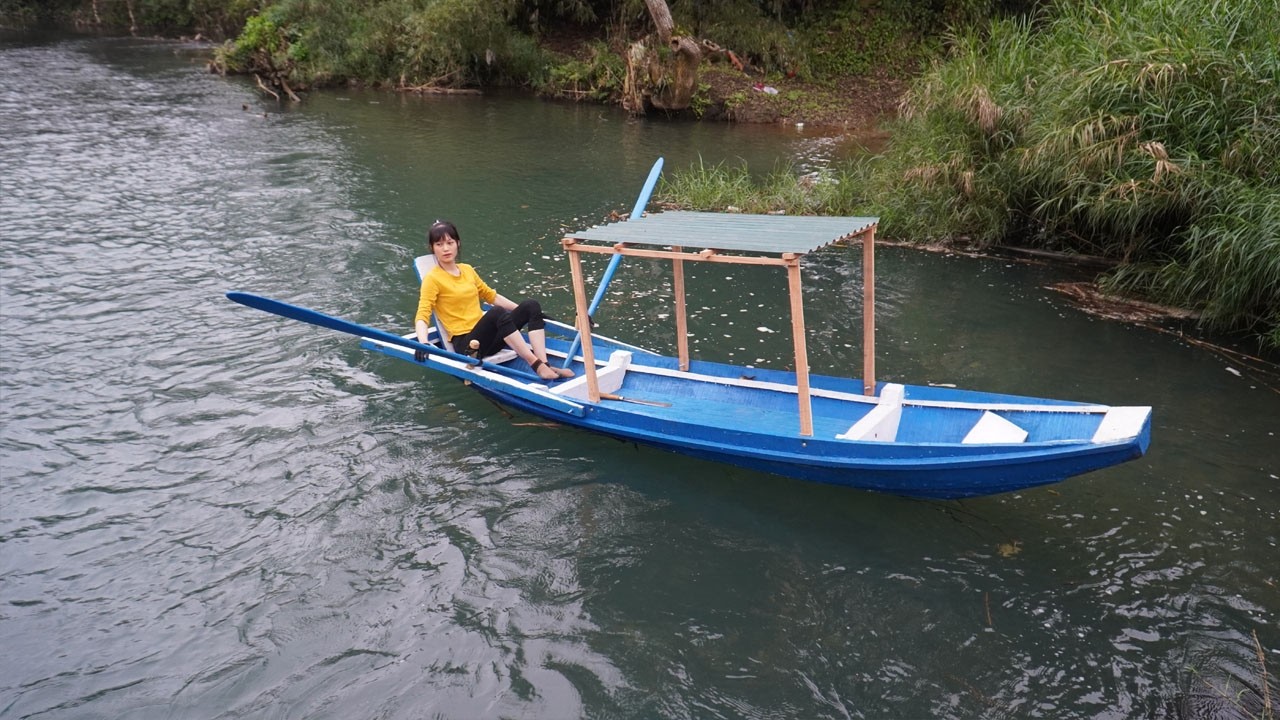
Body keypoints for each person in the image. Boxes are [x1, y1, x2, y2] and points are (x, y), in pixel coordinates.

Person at [413, 220, 573, 382]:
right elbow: (423, 314)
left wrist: (532, 314)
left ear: (458, 243)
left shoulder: (467, 270)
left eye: (449, 242)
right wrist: (423, 343)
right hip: (468, 346)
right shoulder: (432, 279)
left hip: (489, 338)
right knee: (496, 313)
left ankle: (545, 363)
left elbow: (492, 296)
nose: (446, 248)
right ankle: (536, 365)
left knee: (531, 305)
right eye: (439, 244)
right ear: (432, 248)